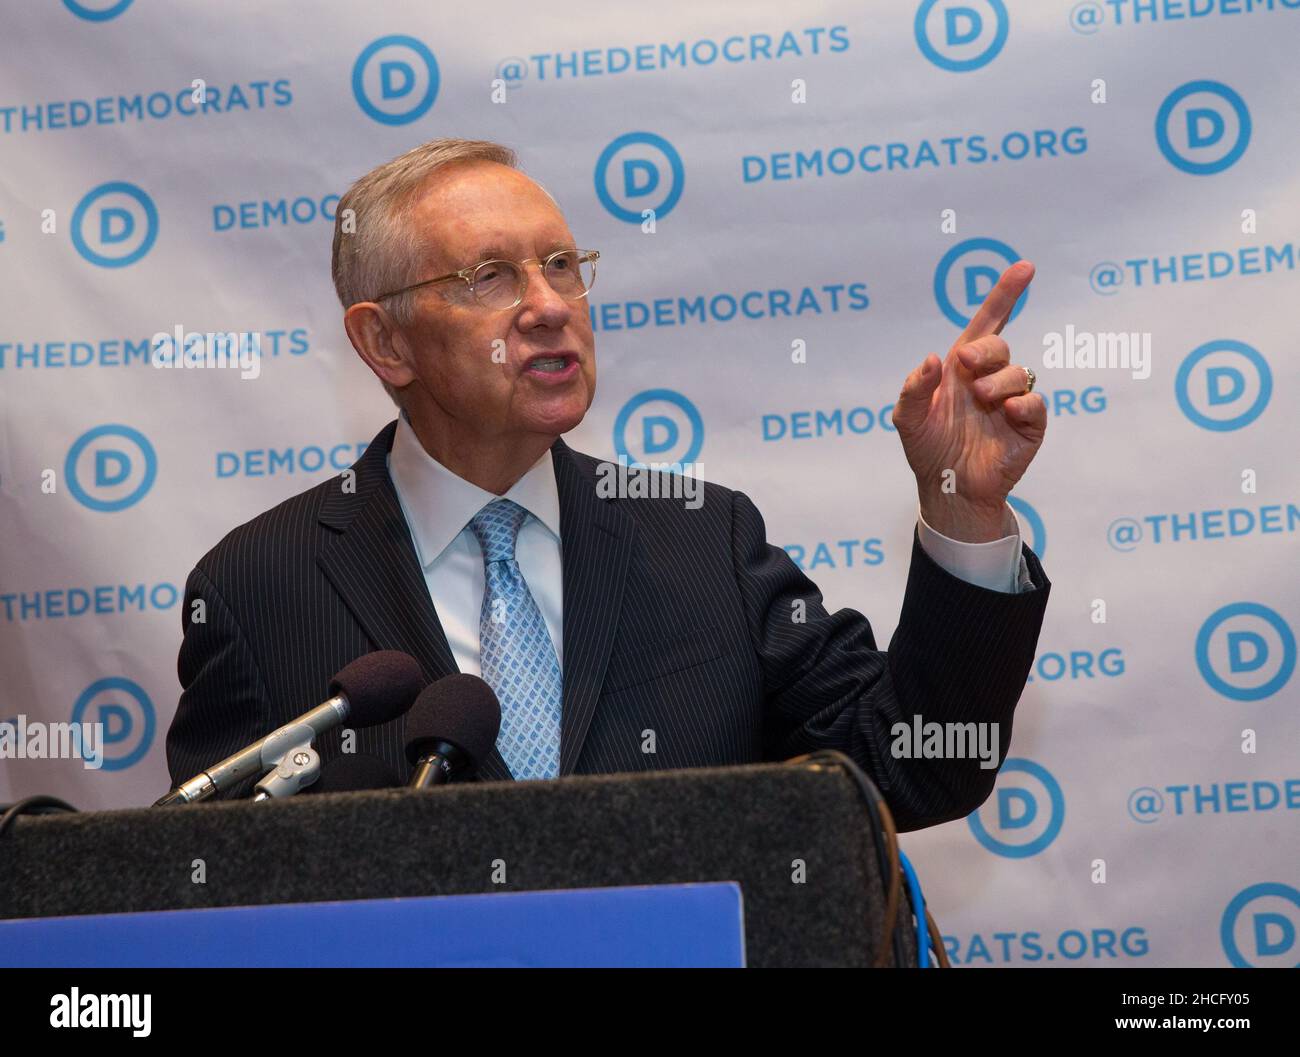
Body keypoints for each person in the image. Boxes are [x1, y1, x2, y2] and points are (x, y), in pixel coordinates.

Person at [166, 139, 1050, 830]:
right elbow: (211, 887)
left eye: (561, 265)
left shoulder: (705, 538)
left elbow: (914, 764)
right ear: (384, 342)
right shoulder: (257, 587)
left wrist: (961, 509)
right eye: (490, 277)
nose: (550, 304)